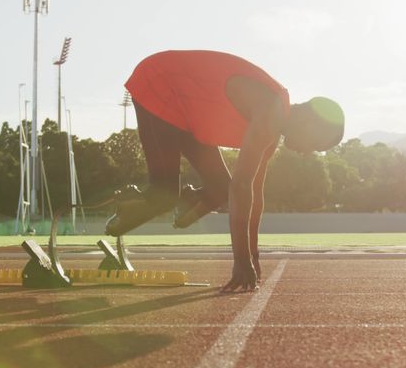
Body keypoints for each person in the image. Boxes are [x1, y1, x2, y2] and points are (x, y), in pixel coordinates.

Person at [106, 50, 344, 292]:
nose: (309, 151)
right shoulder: (270, 113)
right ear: (310, 122)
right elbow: (241, 187)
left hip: (189, 112)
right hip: (160, 83)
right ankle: (130, 203)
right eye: (316, 143)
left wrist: (252, 254)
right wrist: (241, 260)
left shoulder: (271, 132)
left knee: (220, 189)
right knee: (164, 193)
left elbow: (254, 195)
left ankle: (185, 200)